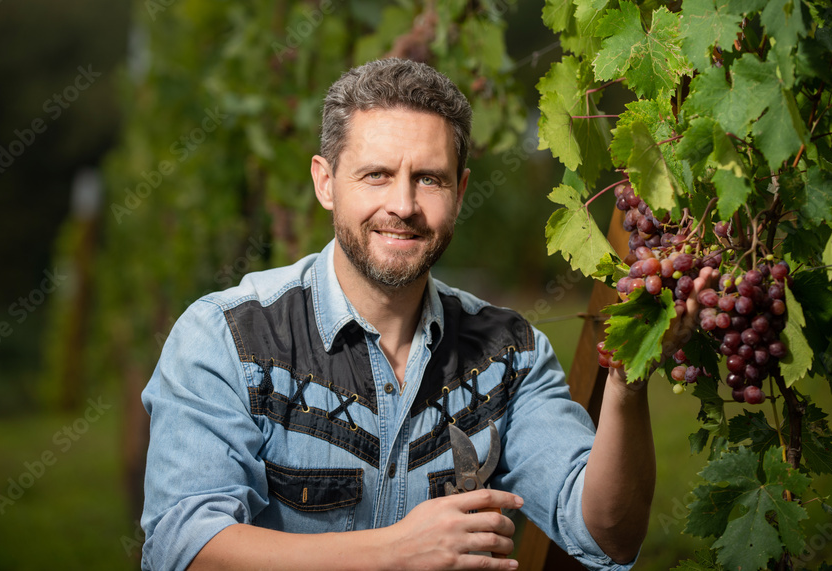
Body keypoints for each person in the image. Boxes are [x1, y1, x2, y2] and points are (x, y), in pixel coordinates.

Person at [141, 58, 703, 571]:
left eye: (428, 179)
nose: (404, 206)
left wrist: (626, 385)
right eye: (376, 175)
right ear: (325, 182)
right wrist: (394, 552)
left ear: (459, 192)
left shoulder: (510, 355)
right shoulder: (228, 338)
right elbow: (182, 548)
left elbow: (607, 533)